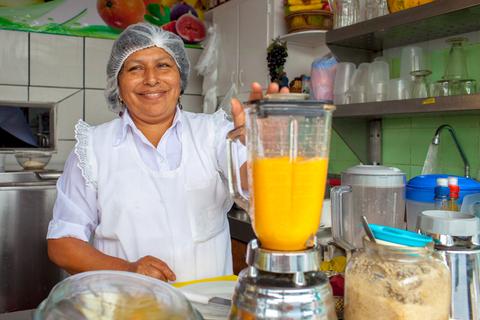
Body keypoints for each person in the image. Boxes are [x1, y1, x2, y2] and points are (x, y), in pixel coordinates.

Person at [47, 22, 287, 283]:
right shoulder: (92, 147)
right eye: (135, 68)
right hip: (126, 305)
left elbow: (254, 187)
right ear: (118, 84)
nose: (151, 78)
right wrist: (127, 270)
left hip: (205, 307)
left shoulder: (215, 133)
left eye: (163, 65)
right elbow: (63, 244)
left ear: (179, 78)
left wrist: (268, 153)